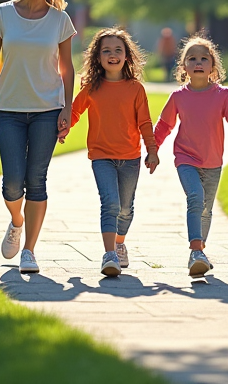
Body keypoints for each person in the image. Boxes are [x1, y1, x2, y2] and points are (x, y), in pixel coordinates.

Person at [0, 0, 77, 276]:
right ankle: (16, 220)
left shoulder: (61, 20)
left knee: (37, 181)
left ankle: (29, 250)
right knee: (12, 184)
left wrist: (68, 107)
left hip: (48, 109)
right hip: (9, 109)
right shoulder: (2, 14)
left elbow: (68, 68)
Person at [154, 35, 228, 276]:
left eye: (204, 58)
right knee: (195, 197)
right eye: (192, 58)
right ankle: (195, 251)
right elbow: (163, 126)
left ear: (213, 67)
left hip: (213, 163)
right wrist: (153, 150)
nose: (198, 62)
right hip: (186, 159)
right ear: (184, 67)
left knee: (206, 209)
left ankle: (200, 251)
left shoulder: (222, 95)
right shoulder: (178, 98)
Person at [71, 28, 159, 277]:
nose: (112, 55)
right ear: (97, 57)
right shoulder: (91, 88)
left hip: (130, 157)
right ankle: (109, 254)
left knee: (126, 208)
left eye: (118, 50)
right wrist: (63, 128)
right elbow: (75, 112)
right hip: (101, 156)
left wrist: (152, 150)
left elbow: (145, 123)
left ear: (127, 57)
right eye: (106, 50)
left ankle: (120, 243)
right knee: (109, 203)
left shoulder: (136, 89)